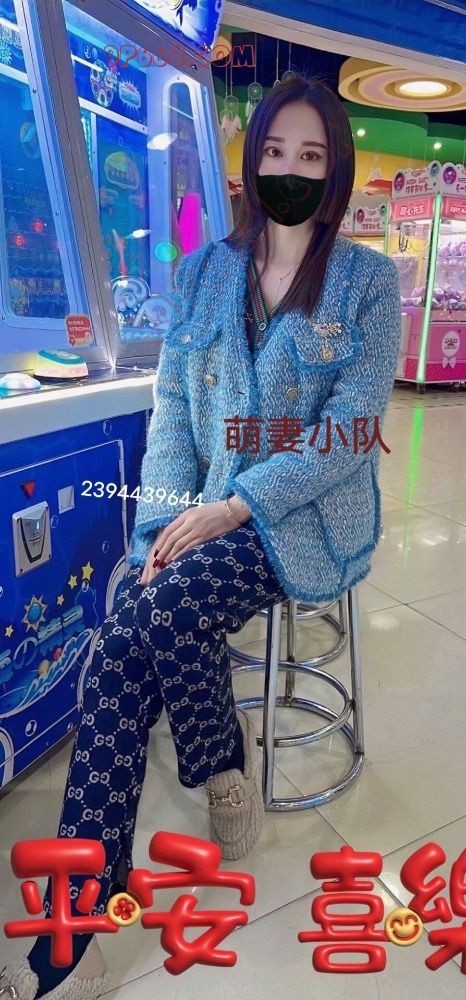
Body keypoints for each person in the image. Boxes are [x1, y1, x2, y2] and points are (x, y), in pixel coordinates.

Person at [0, 72, 400, 999]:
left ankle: (206, 779)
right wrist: (157, 529)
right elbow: (176, 415)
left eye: (311, 155)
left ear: (334, 170)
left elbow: (349, 431)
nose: (290, 170)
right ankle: (88, 919)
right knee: (136, 626)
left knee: (131, 632)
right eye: (274, 151)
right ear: (249, 160)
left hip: (301, 517)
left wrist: (234, 506)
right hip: (205, 507)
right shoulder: (204, 273)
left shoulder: (368, 283)